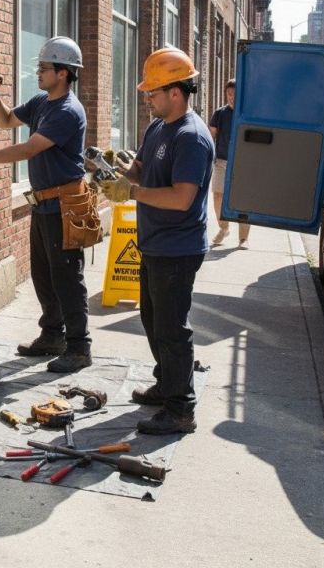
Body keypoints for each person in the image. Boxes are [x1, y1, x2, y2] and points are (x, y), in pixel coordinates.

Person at [0, 37, 92, 374]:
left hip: (66, 205)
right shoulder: (42, 102)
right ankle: (53, 336)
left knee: (67, 277)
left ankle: (79, 347)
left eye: (44, 68)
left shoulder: (68, 111)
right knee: (44, 275)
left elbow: (29, 149)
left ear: (63, 73)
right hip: (44, 204)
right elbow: (6, 121)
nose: (38, 72)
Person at [100, 47, 214, 435]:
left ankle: (181, 409)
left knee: (172, 328)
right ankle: (167, 384)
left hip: (178, 248)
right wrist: (118, 167)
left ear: (176, 92)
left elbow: (182, 198)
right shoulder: (158, 127)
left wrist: (130, 193)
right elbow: (143, 170)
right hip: (155, 243)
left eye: (153, 92)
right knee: (152, 320)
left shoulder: (191, 138)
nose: (147, 98)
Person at [209, 78, 250, 248]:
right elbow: (211, 136)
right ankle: (223, 228)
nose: (231, 97)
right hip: (222, 161)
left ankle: (243, 238)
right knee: (217, 196)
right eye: (229, 94)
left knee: (242, 200)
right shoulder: (220, 113)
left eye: (235, 94)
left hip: (243, 163)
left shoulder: (247, 113)